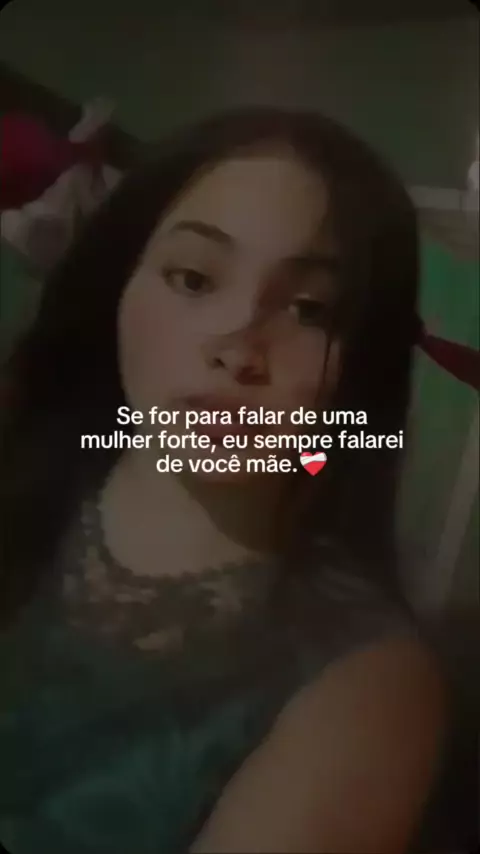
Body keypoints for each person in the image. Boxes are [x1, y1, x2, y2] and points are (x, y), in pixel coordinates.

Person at [0, 108, 446, 854]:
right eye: (194, 278)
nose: (239, 347)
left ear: (361, 364)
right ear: (117, 286)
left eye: (310, 309)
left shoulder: (366, 683)